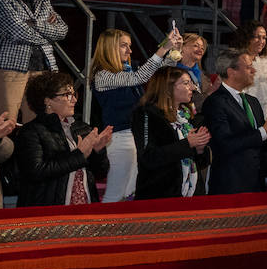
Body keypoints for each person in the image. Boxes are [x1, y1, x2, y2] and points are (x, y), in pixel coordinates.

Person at [90, 27, 181, 202]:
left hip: (134, 137)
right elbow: (140, 77)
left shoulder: (127, 71)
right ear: (109, 48)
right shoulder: (102, 75)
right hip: (119, 138)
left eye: (130, 46)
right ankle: (105, 228)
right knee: (116, 194)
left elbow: (159, 73)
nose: (130, 51)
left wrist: (175, 50)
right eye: (124, 45)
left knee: (131, 193)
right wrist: (163, 48)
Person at [14, 72, 111, 207]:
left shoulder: (82, 128)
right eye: (67, 95)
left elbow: (100, 172)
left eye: (74, 94)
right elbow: (36, 171)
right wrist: (79, 155)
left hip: (84, 204)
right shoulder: (31, 132)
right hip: (48, 211)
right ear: (47, 101)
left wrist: (98, 151)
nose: (74, 100)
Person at [200, 47, 267, 195]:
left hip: (256, 181)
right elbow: (225, 143)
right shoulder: (215, 102)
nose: (253, 71)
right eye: (248, 67)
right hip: (230, 184)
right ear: (231, 72)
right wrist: (264, 130)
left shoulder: (253, 102)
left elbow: (261, 144)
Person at [132, 67, 210, 199]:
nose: (192, 87)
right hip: (161, 196)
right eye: (186, 83)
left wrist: (200, 149)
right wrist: (188, 143)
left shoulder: (184, 115)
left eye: (191, 83)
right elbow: (148, 157)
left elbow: (196, 163)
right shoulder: (147, 113)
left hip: (191, 194)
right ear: (167, 87)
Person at [232, 21, 267, 118]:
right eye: (257, 37)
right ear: (246, 38)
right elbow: (245, 97)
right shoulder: (235, 63)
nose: (261, 41)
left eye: (264, 38)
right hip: (246, 115)